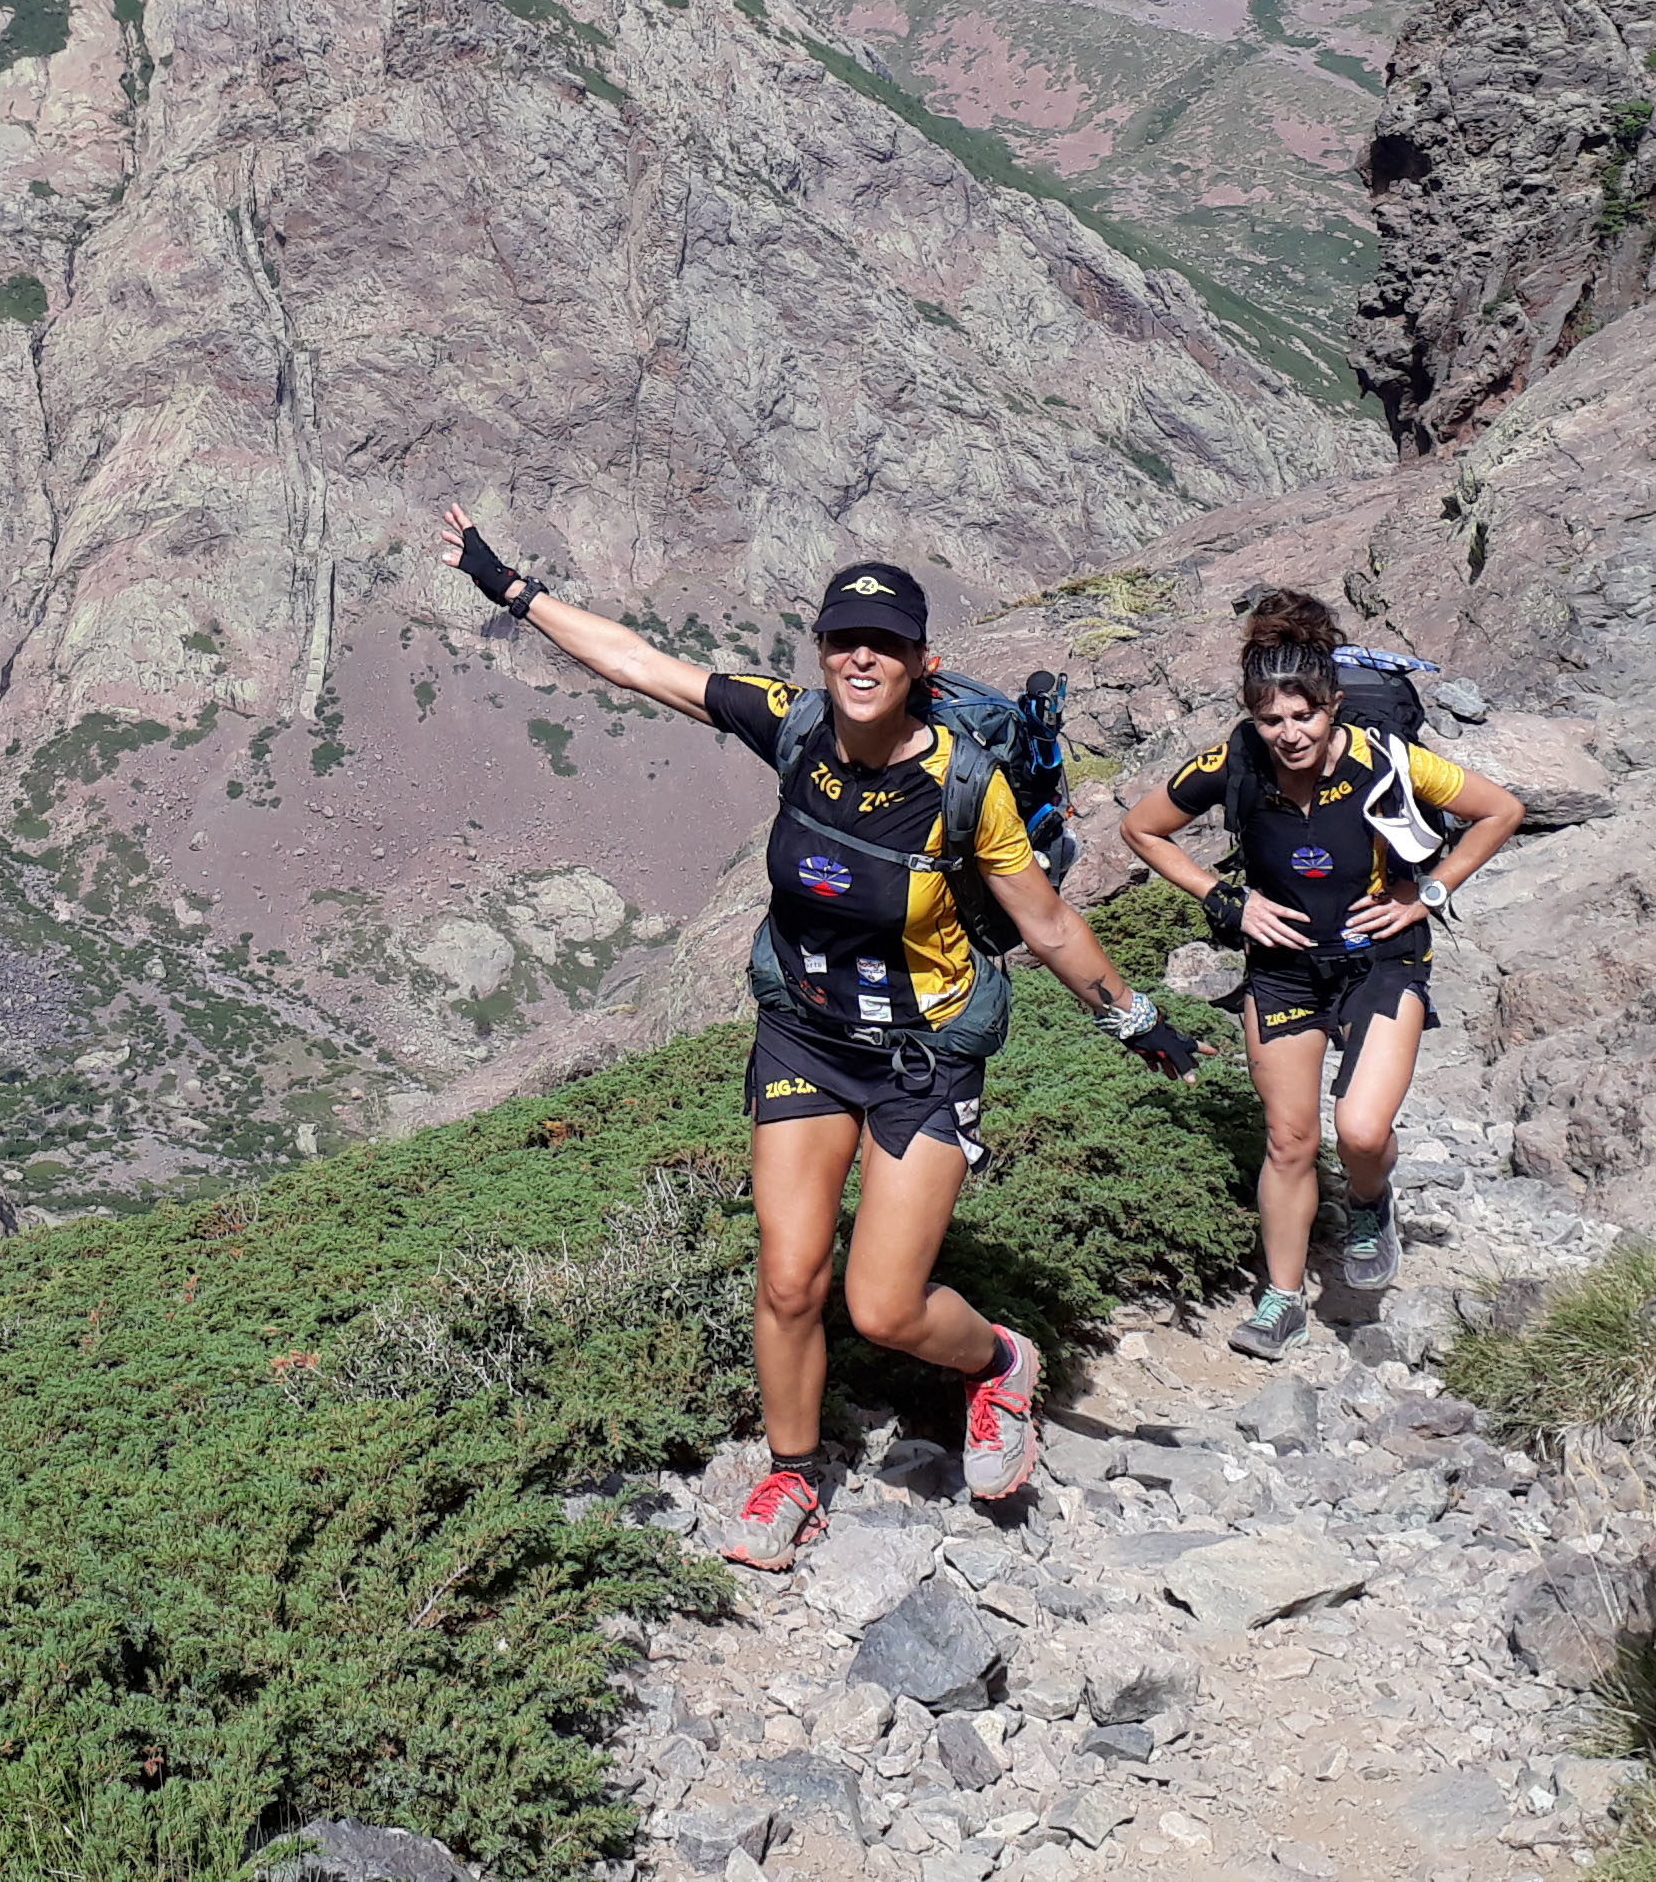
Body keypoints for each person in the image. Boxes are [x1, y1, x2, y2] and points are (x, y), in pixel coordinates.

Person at [436, 506, 1205, 1569]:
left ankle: (999, 1362)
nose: (860, 657)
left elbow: (1049, 921)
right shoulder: (791, 724)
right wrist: (511, 590)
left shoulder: (962, 787)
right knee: (790, 1280)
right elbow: (640, 665)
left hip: (922, 1057)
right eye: (845, 638)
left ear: (920, 663)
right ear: (822, 649)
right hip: (803, 1035)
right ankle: (793, 1475)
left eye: (883, 645)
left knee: (883, 1306)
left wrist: (1134, 1017)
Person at [1121, 587, 1523, 1361]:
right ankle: (1281, 1296)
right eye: (1271, 720)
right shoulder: (1234, 763)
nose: (1289, 734)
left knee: (1361, 1131)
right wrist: (1228, 901)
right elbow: (1142, 828)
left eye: (1303, 716)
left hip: (1380, 960)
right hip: (1280, 974)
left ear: (1333, 705)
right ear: (1253, 717)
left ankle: (1370, 1200)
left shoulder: (1387, 759)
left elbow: (1499, 809)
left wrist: (1429, 891)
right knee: (1290, 1140)